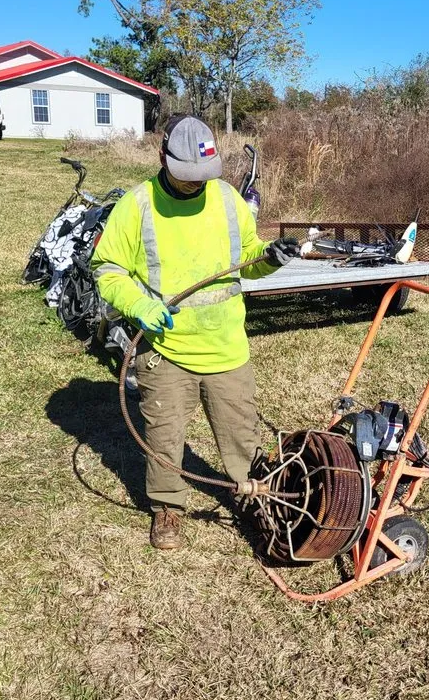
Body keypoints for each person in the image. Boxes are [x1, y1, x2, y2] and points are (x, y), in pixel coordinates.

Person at [91, 114, 299, 549]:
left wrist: (271, 255)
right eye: (186, 176)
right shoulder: (138, 204)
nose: (194, 185)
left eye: (201, 176)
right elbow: (106, 268)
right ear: (161, 155)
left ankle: (253, 496)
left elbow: (248, 259)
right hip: (166, 349)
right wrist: (138, 304)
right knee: (164, 435)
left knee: (241, 432)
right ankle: (168, 506)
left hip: (225, 346)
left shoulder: (226, 198)